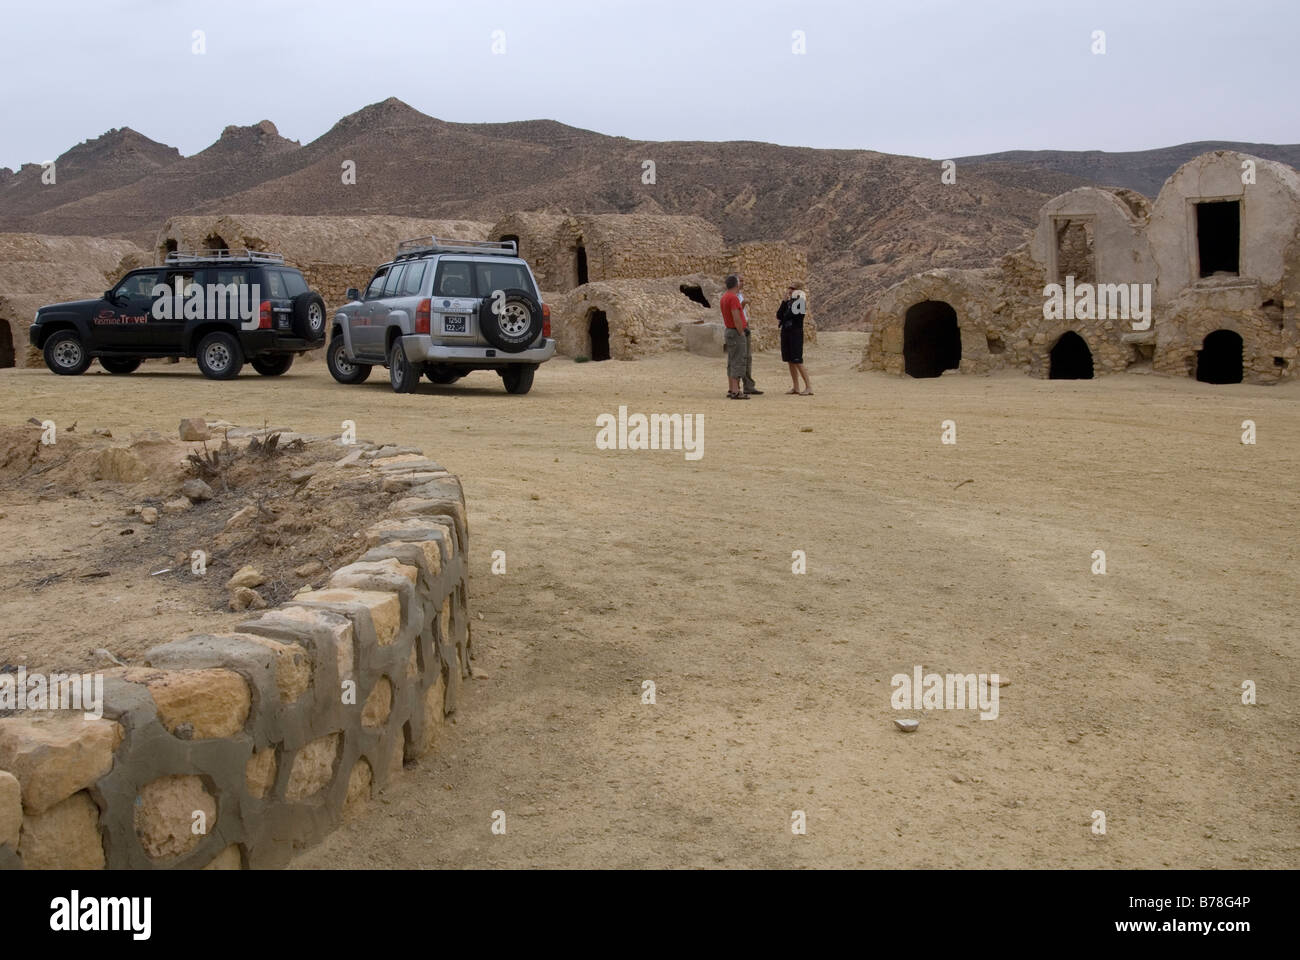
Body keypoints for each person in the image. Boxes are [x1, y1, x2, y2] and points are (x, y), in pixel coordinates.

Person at [777, 284, 812, 395]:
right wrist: (784, 301)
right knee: (790, 361)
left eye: (793, 290)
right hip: (786, 333)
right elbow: (779, 315)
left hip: (795, 334)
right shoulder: (788, 303)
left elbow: (790, 315)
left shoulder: (800, 303)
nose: (790, 291)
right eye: (790, 289)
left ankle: (809, 387)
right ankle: (796, 387)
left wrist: (786, 310)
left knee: (798, 361)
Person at [719, 275, 749, 399]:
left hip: (729, 331)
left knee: (731, 360)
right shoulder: (733, 298)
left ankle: (732, 388)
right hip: (735, 332)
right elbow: (736, 316)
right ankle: (736, 391)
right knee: (738, 360)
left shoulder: (724, 297)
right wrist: (741, 331)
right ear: (736, 284)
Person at [735, 275, 762, 395]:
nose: (742, 283)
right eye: (740, 281)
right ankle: (736, 387)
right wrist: (744, 304)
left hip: (745, 325)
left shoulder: (739, 295)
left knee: (747, 357)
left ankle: (748, 385)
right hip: (739, 327)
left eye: (743, 281)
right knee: (740, 357)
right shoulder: (733, 296)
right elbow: (736, 312)